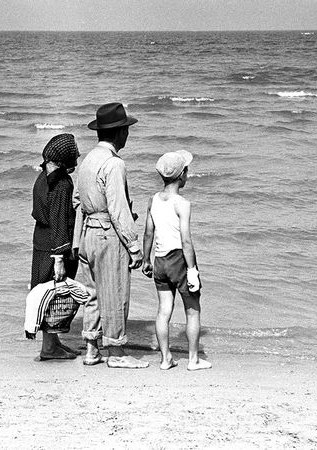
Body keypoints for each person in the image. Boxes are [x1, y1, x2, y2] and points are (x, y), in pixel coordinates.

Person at [77, 102, 148, 369]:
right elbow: (118, 209)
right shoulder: (114, 164)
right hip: (108, 233)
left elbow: (77, 201)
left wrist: (77, 242)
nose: (127, 134)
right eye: (126, 130)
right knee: (116, 292)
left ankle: (92, 348)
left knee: (92, 293)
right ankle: (116, 352)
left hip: (88, 233)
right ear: (119, 133)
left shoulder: (88, 161)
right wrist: (134, 245)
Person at [142, 150, 212, 371]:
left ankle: (165, 359)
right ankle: (193, 360)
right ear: (182, 175)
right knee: (192, 309)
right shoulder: (182, 203)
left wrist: (146, 259)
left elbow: (148, 233)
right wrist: (192, 270)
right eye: (186, 171)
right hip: (179, 259)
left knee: (164, 310)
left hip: (160, 260)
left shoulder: (153, 200)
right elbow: (186, 240)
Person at [29, 133, 81, 360]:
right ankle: (49, 348)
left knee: (46, 291)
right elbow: (60, 219)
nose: (76, 158)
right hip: (53, 246)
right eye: (73, 155)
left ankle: (53, 343)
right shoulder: (61, 184)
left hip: (41, 241)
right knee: (54, 294)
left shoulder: (42, 177)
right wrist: (60, 256)